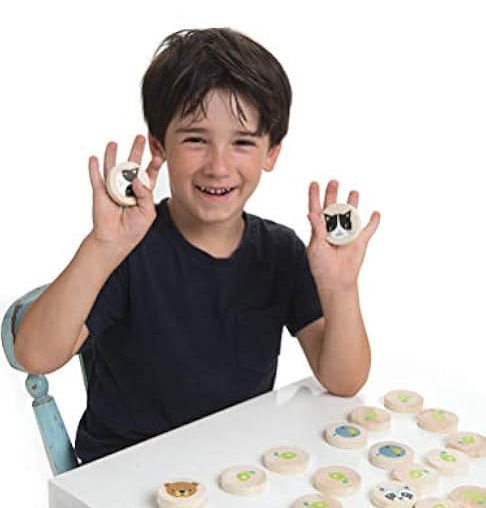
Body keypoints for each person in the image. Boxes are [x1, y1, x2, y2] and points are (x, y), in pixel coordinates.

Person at [14, 27, 380, 463]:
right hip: (125, 474)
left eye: (242, 142)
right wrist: (102, 246)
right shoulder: (130, 250)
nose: (218, 166)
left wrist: (340, 289)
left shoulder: (280, 251)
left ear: (271, 152)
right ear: (159, 146)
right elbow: (35, 354)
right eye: (195, 139)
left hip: (232, 471)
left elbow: (343, 380)